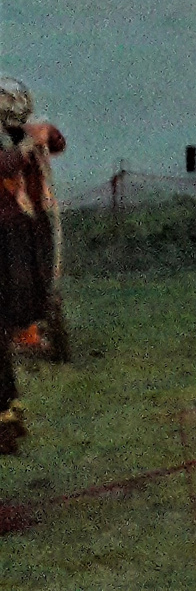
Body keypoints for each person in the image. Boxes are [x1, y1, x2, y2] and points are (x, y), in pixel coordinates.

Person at [0, 78, 66, 456]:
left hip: (23, 227)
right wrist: (28, 144)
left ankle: (8, 417)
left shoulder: (21, 135)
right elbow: (7, 162)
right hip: (5, 231)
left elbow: (54, 143)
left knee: (28, 294)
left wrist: (41, 134)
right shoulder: (14, 145)